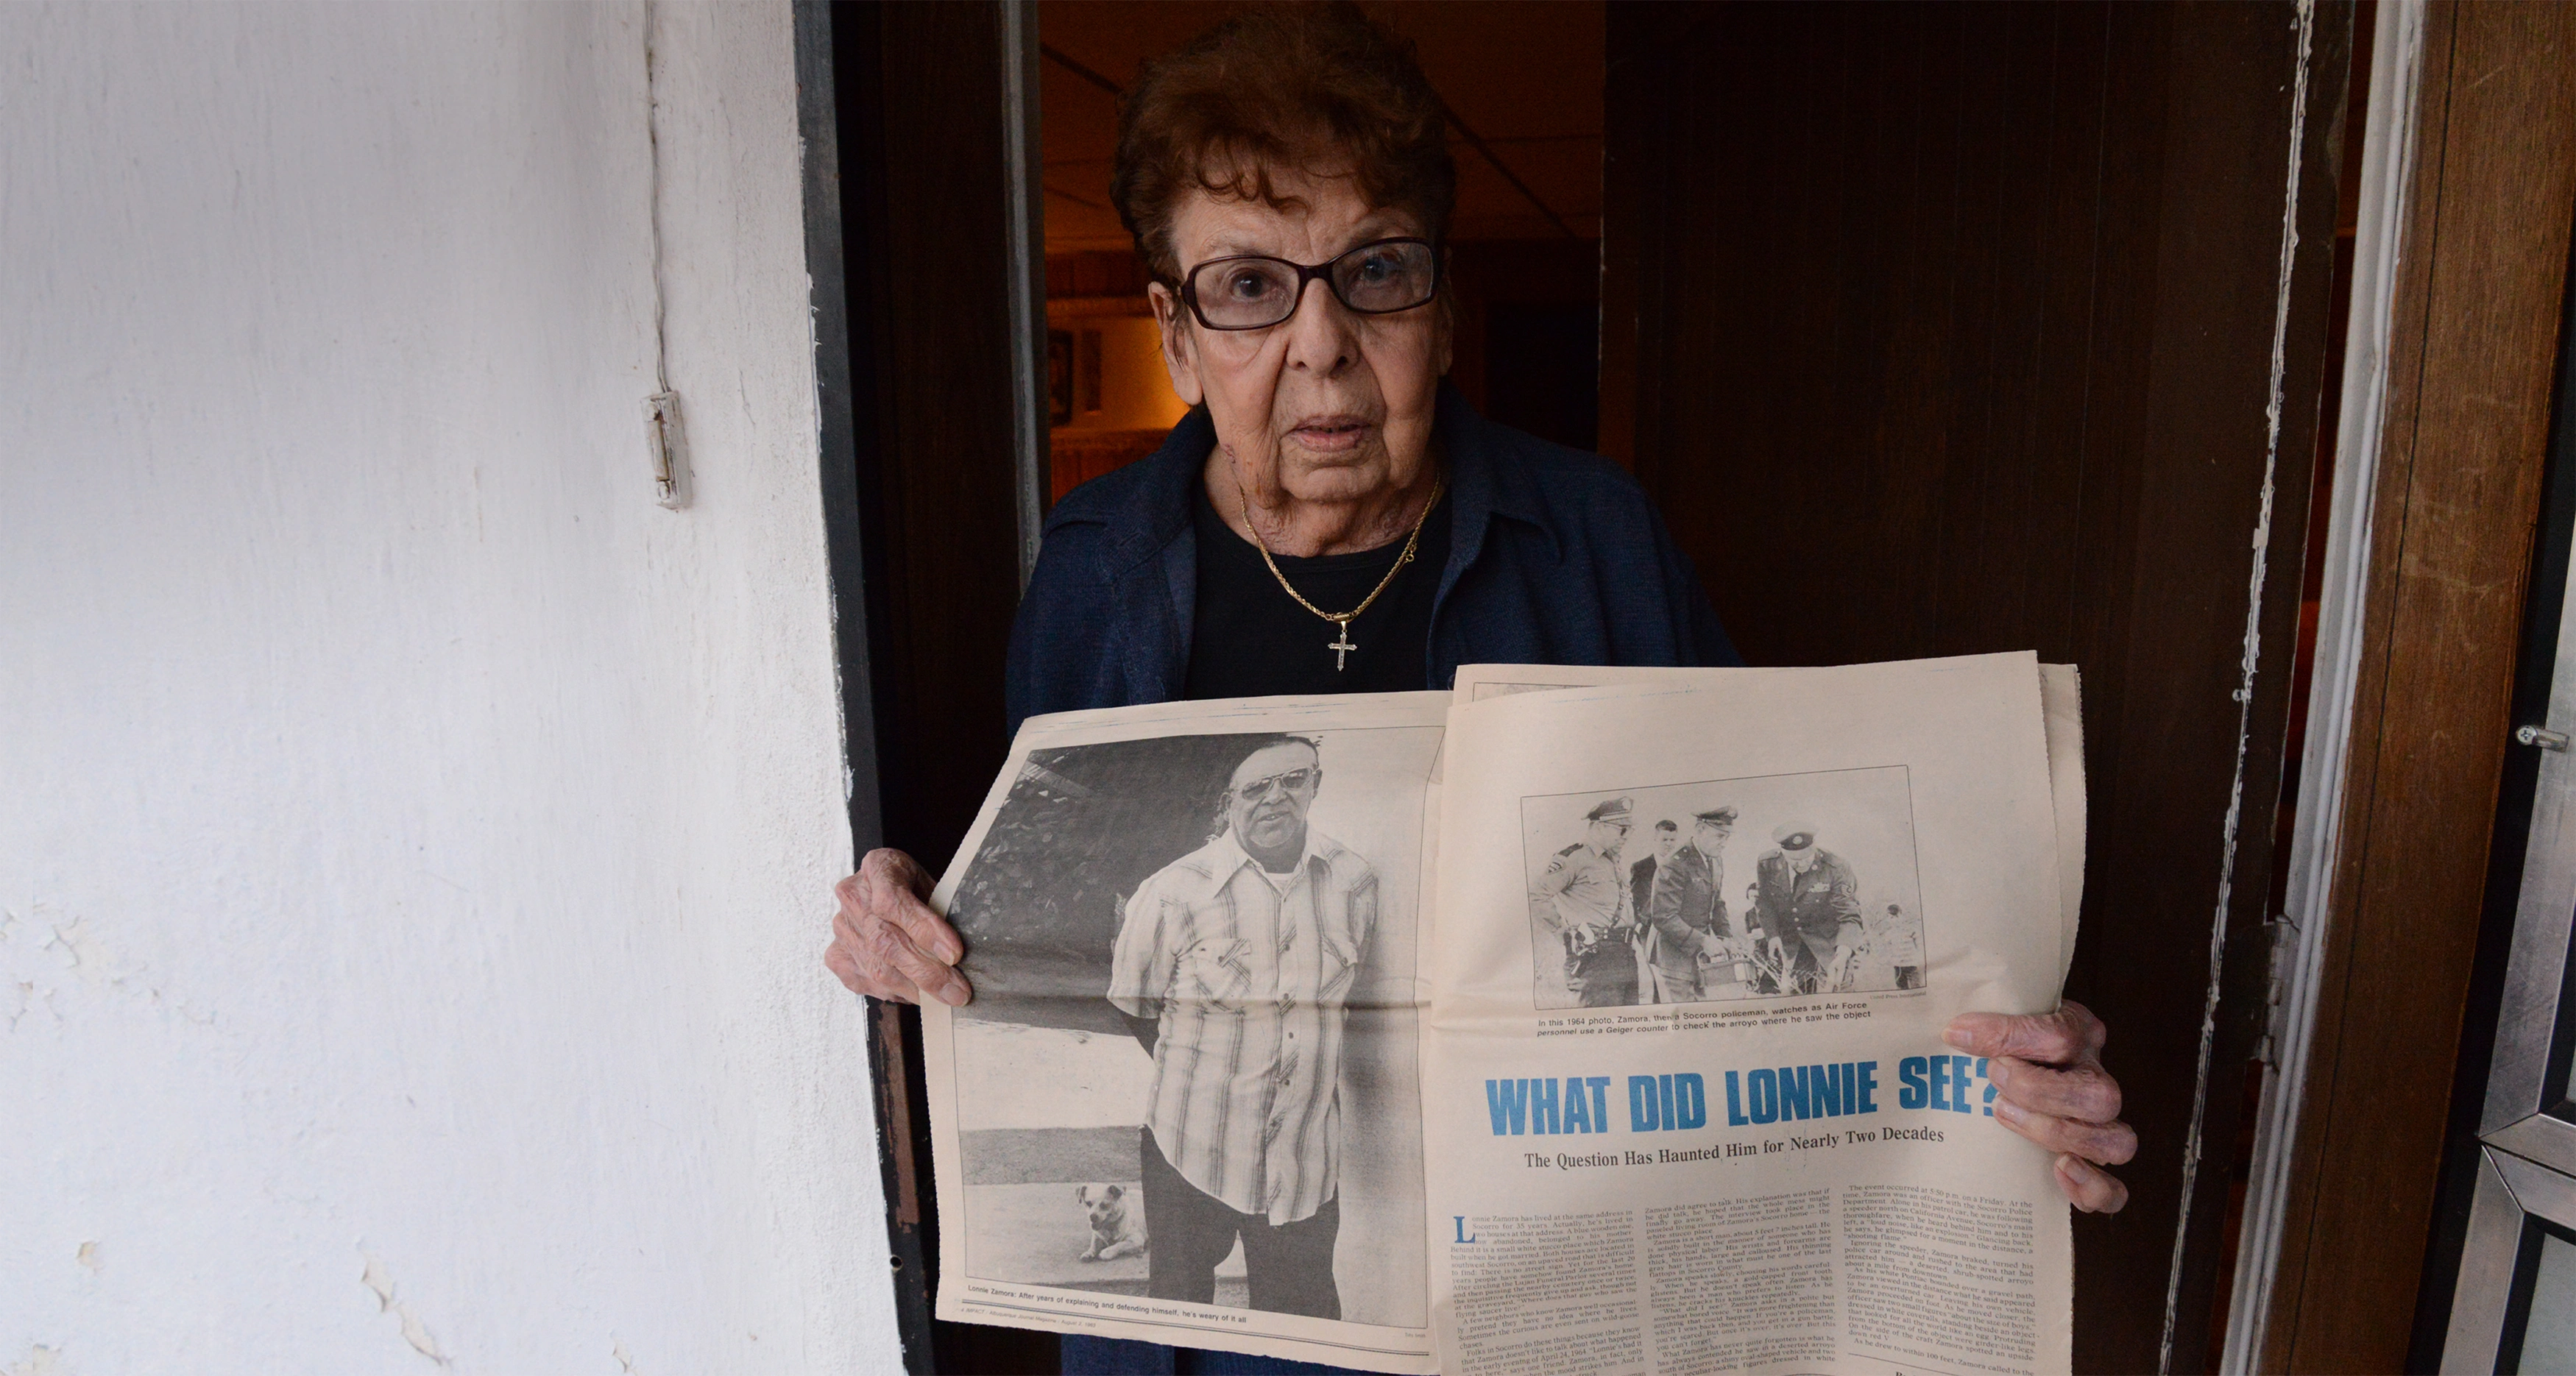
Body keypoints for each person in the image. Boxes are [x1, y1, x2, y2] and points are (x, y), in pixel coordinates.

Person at [821, 7, 2137, 1369]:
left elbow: (1785, 939)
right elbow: (1026, 922)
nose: (1322, 345)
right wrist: (904, 932)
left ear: (1440, 312)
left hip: (1551, 1297)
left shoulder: (1597, 543)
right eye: (1252, 288)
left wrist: (1996, 1072)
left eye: (1374, 270)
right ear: (1175, 333)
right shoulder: (1095, 574)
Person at [1108, 734, 1372, 1318]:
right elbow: (1133, 1004)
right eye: (1257, 787)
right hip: (1190, 1145)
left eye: (1294, 781)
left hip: (1304, 1157)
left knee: (1305, 1319)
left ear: (1316, 785)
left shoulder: (1354, 882)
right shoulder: (1173, 890)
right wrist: (1218, 1075)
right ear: (1229, 801)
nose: (1276, 798)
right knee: (1180, 1311)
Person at [1532, 796, 1640, 1007]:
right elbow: (1536, 895)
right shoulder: (1574, 858)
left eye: (1630, 830)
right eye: (1622, 829)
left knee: (1628, 1027)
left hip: (1625, 954)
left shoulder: (1613, 860)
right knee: (1600, 1027)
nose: (1627, 836)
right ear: (1599, 827)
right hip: (1595, 956)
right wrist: (1561, 933)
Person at [1750, 822, 1865, 994]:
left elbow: (1849, 914)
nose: (1802, 864)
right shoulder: (1767, 864)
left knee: (1841, 993)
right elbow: (1764, 902)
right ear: (1783, 854)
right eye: (1795, 861)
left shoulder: (1836, 867)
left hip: (1831, 942)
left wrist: (1844, 951)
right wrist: (1772, 935)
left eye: (1807, 858)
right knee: (1798, 998)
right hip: (1794, 945)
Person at [1642, 806, 1738, 1001]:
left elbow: (1717, 903)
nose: (1724, 843)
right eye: (1720, 836)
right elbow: (1664, 917)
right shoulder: (1675, 863)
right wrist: (1703, 941)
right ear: (1700, 830)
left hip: (1700, 960)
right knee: (1685, 1019)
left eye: (1727, 837)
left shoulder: (1715, 861)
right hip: (1674, 962)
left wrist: (1725, 936)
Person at [1630, 818, 1680, 920]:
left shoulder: (1681, 867)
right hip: (1650, 926)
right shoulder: (1640, 868)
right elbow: (1640, 903)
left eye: (1672, 840)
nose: (1669, 844)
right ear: (1655, 839)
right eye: (1664, 840)